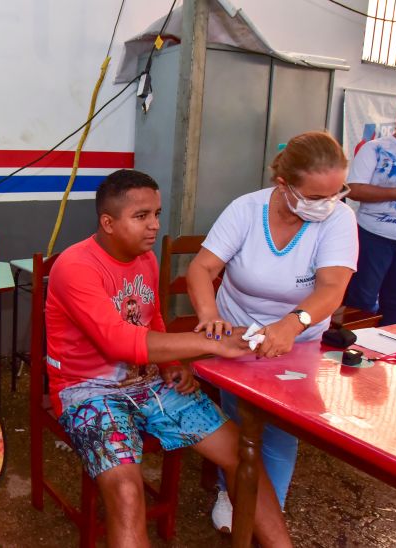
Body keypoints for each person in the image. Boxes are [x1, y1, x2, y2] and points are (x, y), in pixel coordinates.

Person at [46, 169, 292, 548]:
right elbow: (118, 342)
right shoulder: (74, 266)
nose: (154, 226)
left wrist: (171, 365)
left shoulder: (144, 259)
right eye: (141, 216)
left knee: (245, 459)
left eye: (157, 214)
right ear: (108, 223)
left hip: (148, 383)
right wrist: (209, 344)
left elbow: (152, 318)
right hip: (86, 391)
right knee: (128, 494)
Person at [187, 131, 358, 532]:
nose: (328, 204)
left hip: (298, 342)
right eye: (316, 196)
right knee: (241, 419)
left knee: (281, 428)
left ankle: (266, 511)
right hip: (237, 337)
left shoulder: (339, 219)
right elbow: (202, 268)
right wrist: (211, 316)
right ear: (284, 185)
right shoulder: (246, 210)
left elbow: (332, 287)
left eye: (337, 193)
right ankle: (234, 493)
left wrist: (291, 324)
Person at [344, 99, 396, 326]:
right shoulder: (375, 148)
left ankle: (386, 352)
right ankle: (351, 348)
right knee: (361, 298)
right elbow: (354, 189)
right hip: (373, 236)